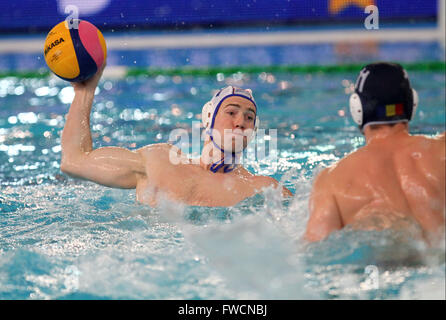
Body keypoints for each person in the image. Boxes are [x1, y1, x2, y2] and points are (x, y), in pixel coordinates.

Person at [60, 64, 293, 207]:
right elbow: (74, 161)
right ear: (208, 119)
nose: (240, 122)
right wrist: (84, 92)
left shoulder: (263, 189)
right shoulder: (161, 162)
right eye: (231, 112)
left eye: (249, 117)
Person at [304, 62, 445, 244]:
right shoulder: (442, 150)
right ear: (412, 103)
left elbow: (315, 252)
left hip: (383, 264)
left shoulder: (332, 181)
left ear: (357, 108)